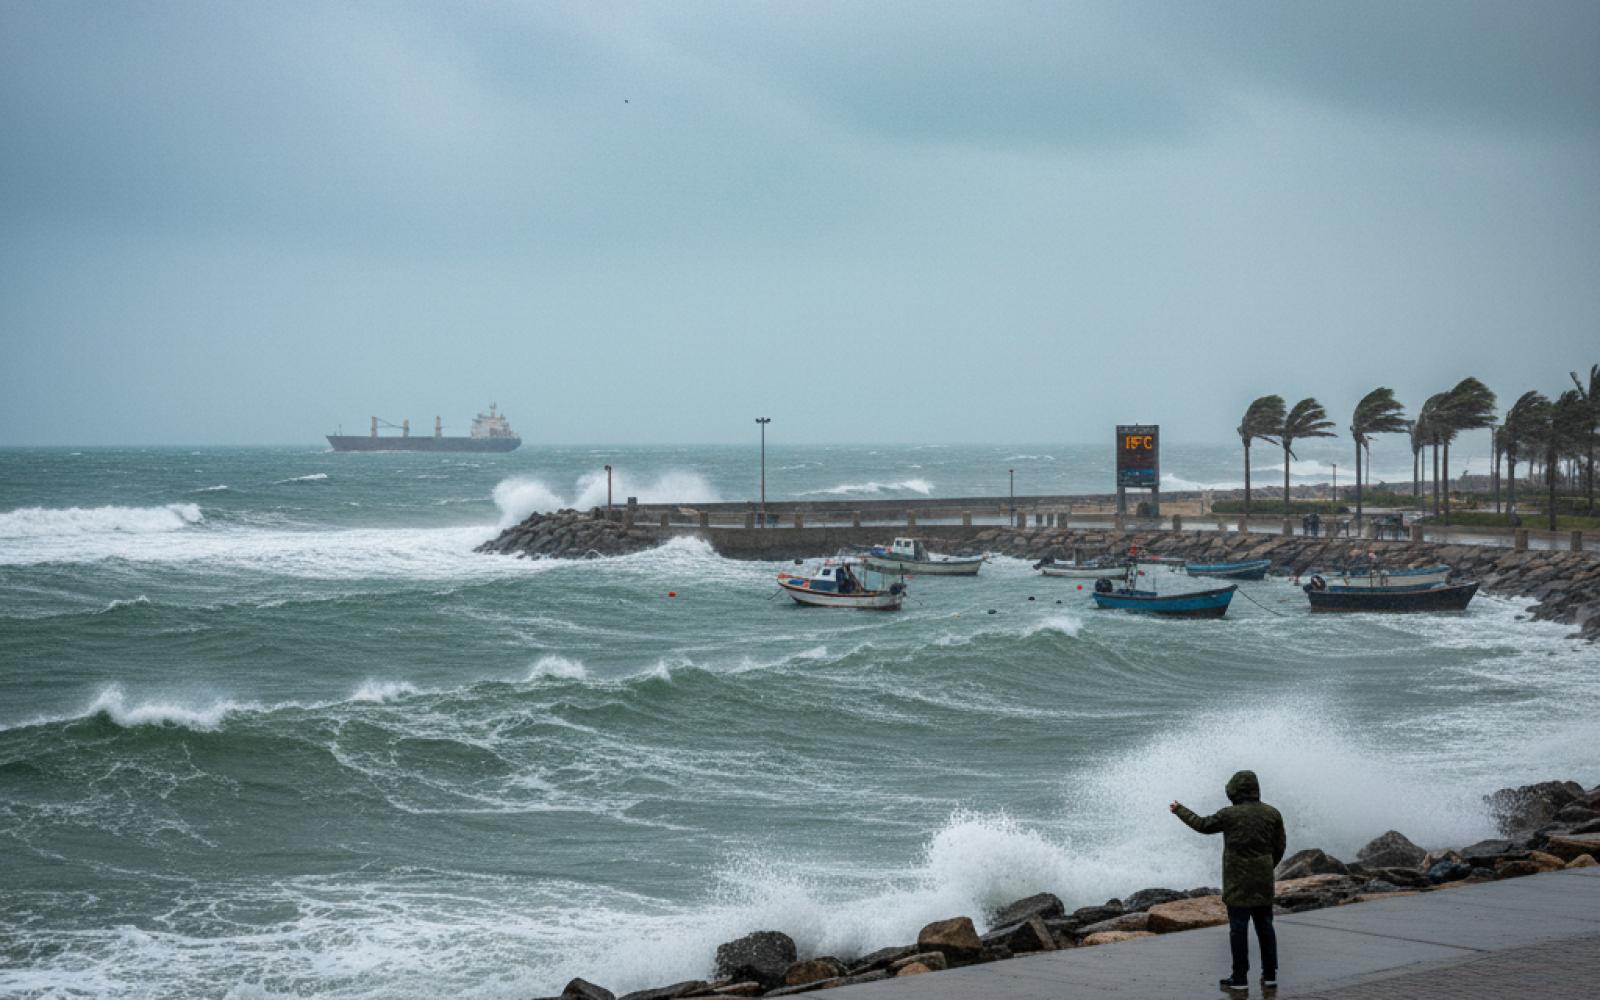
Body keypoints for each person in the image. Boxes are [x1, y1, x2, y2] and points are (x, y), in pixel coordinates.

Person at [1170, 770, 1286, 992]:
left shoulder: (1229, 815)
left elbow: (1203, 825)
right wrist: (1267, 866)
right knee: (1265, 927)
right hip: (1262, 881)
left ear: (1234, 790)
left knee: (1238, 929)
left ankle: (1240, 978)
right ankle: (1270, 975)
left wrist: (1179, 810)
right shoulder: (1272, 813)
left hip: (1237, 882)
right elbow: (1280, 846)